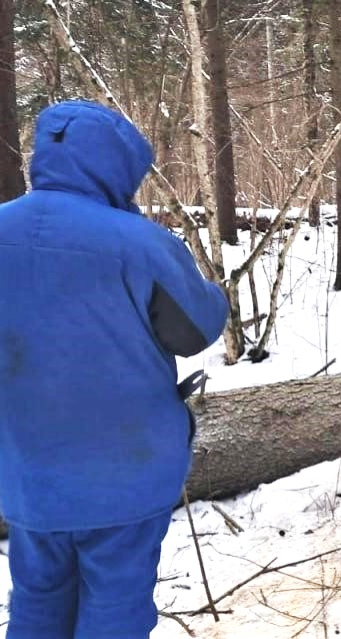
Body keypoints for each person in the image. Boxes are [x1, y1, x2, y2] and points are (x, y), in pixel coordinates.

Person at [0, 100, 229, 639]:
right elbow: (195, 331)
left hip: (26, 473)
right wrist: (211, 290)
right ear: (116, 166)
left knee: (37, 598)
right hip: (125, 471)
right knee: (115, 607)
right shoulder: (139, 243)